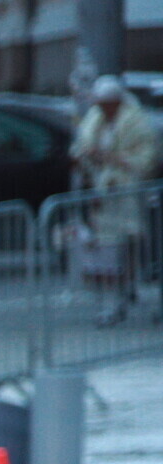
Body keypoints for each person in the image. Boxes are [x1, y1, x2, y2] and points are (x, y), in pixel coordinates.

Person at [73, 76, 159, 325]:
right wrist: (86, 159)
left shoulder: (137, 122)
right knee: (109, 250)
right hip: (103, 195)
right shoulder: (95, 120)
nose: (102, 107)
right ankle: (115, 300)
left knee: (132, 246)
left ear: (117, 102)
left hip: (129, 195)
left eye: (106, 103)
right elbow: (81, 147)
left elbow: (147, 160)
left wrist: (114, 159)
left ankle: (131, 291)